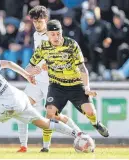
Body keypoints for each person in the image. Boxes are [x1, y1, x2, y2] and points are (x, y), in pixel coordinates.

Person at [29, 19, 109, 151]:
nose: (56, 37)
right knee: (50, 114)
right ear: (47, 35)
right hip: (56, 85)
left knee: (90, 112)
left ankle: (96, 123)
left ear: (62, 32)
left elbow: (82, 68)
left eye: (58, 34)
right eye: (52, 34)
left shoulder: (71, 44)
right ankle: (45, 147)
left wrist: (87, 87)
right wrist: (31, 72)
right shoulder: (43, 47)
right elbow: (29, 66)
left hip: (75, 84)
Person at [17, 6, 81, 153]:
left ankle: (79, 134)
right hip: (37, 81)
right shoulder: (35, 35)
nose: (37, 24)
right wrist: (31, 72)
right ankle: (23, 146)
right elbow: (37, 58)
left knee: (53, 116)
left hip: (52, 82)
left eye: (39, 21)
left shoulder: (54, 36)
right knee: (21, 109)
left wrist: (48, 64)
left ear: (45, 20)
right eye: (34, 22)